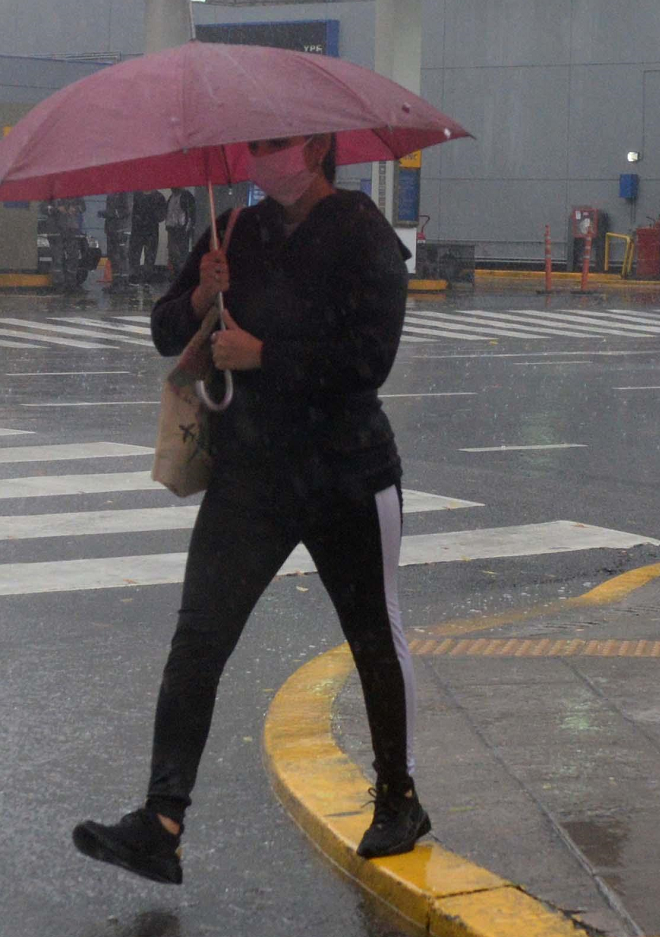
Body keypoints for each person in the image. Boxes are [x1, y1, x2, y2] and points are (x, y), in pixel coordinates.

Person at [73, 132, 425, 885]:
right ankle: (162, 821)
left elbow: (371, 358)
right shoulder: (234, 230)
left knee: (373, 637)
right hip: (253, 478)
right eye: (255, 146)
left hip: (347, 474)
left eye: (277, 145)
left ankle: (398, 794)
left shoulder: (363, 231)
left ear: (319, 147)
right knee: (199, 638)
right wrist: (202, 293)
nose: (263, 159)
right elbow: (167, 329)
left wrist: (267, 355)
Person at [128, 186, 168, 281]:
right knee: (135, 255)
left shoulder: (158, 197)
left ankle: (145, 277)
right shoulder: (136, 195)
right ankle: (135, 277)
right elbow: (130, 211)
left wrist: (149, 216)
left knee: (148, 255)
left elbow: (161, 216)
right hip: (140, 230)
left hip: (149, 231)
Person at [103, 189, 132, 277]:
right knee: (113, 255)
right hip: (112, 228)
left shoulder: (126, 192)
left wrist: (111, 213)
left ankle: (123, 281)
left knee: (121, 255)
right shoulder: (112, 193)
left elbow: (127, 210)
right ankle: (116, 280)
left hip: (122, 228)